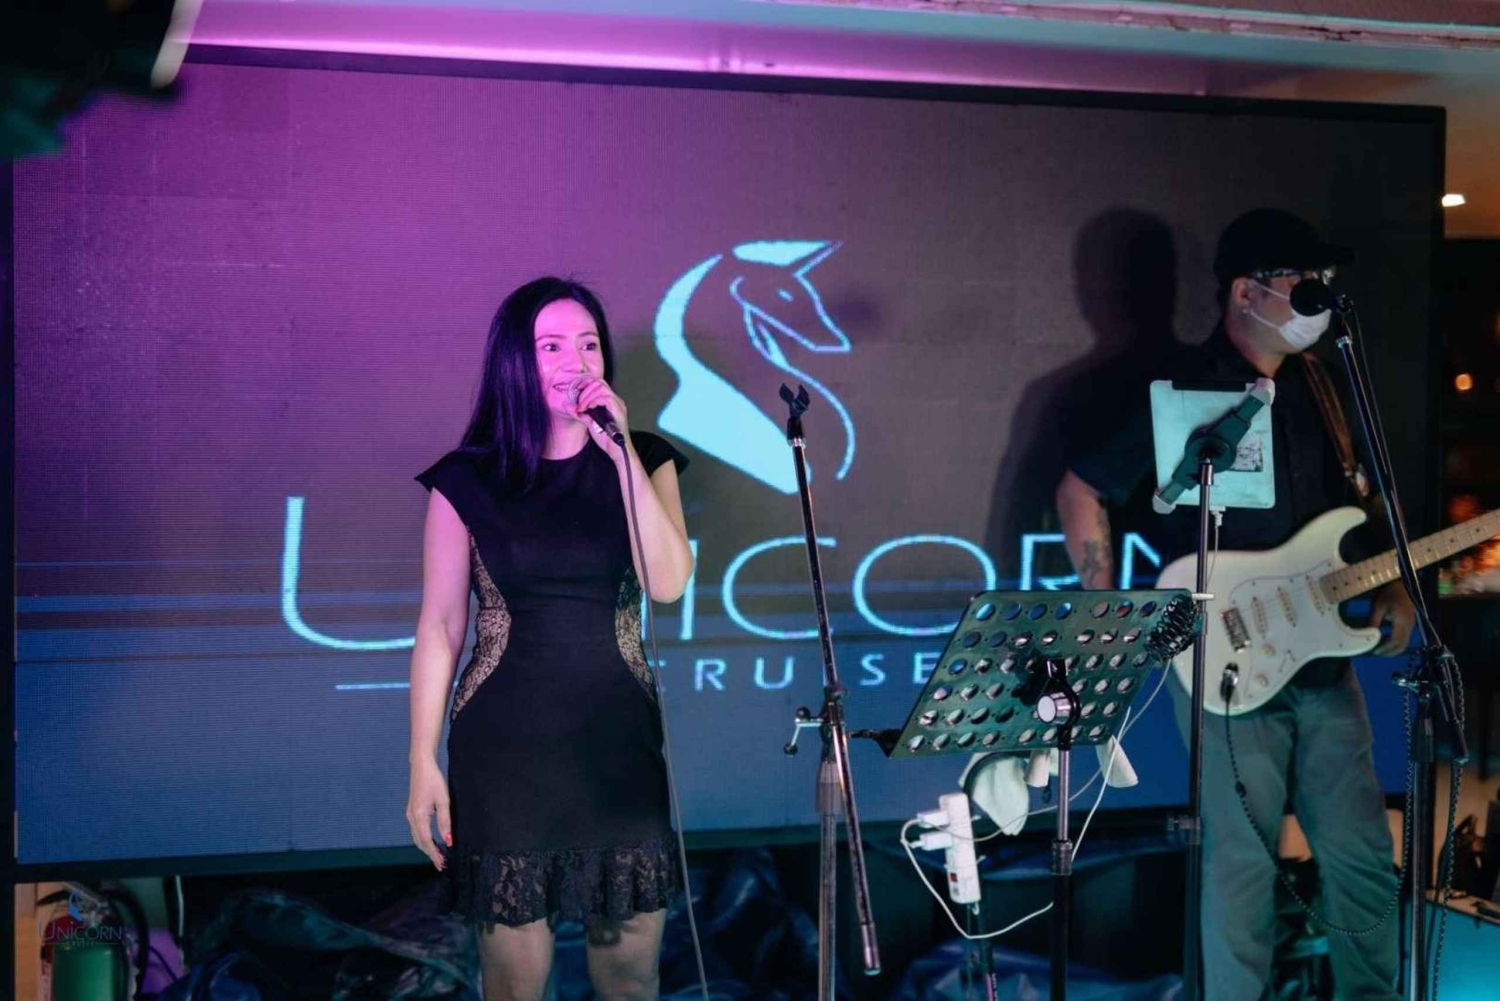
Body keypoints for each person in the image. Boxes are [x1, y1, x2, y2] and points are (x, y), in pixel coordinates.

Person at [1054, 209, 1413, 1000]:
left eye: (1325, 281)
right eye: (1302, 280)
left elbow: (1354, 511)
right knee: (1240, 865)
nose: (1319, 295)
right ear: (1247, 292)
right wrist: (1106, 611)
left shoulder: (1323, 387)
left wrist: (1393, 582)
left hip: (1322, 663)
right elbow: (1083, 488)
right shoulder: (1185, 389)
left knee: (1361, 857)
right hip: (1224, 665)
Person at [405, 276, 694, 1001]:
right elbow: (440, 626)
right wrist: (421, 761)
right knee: (515, 981)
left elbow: (667, 582)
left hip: (617, 745)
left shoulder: (644, 458)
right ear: (516, 361)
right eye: (553, 346)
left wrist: (620, 451)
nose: (577, 360)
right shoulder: (467, 478)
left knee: (630, 975)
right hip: (506, 754)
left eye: (589, 344)